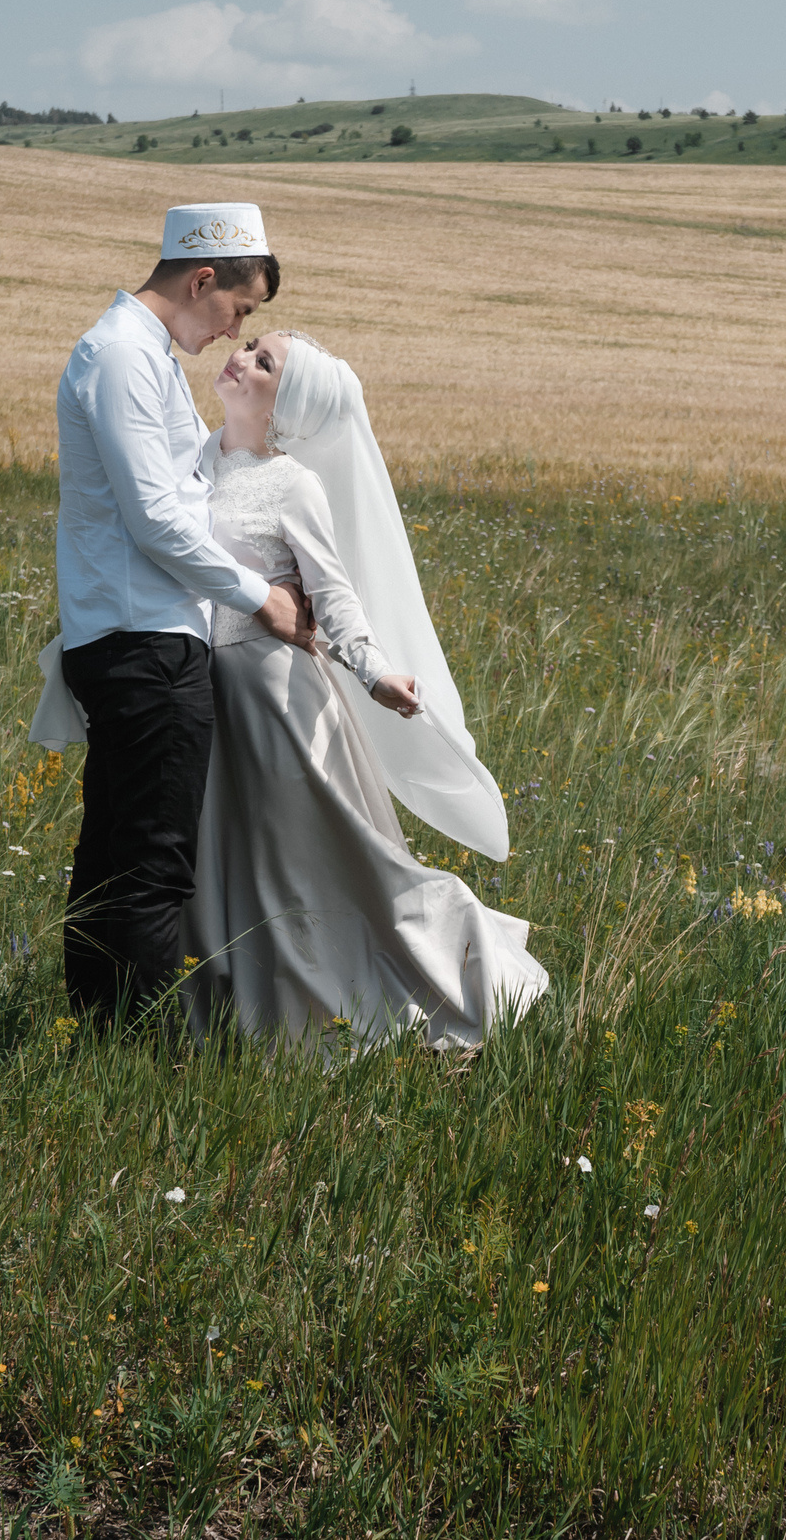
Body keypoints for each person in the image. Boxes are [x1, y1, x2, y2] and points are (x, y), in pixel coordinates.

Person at [177, 328, 548, 1050]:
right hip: (208, 694)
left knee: (309, 865)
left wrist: (374, 672)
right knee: (221, 856)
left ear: (283, 410)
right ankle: (225, 1012)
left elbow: (334, 595)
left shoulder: (293, 484)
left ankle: (433, 972)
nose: (242, 357)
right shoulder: (191, 459)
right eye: (250, 344)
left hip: (279, 702)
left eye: (264, 363)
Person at [40, 202, 315, 1029]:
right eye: (241, 308)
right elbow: (155, 517)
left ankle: (93, 1035)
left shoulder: (139, 355)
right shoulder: (122, 357)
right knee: (153, 867)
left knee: (113, 857)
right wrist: (261, 597)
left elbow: (194, 485)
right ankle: (147, 1056)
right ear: (203, 278)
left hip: (135, 639)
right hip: (143, 643)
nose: (237, 331)